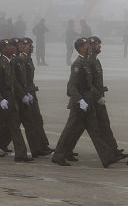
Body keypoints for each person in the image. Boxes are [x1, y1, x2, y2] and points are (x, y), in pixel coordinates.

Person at [52, 37, 122, 167]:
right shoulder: (77, 64)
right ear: (80, 48)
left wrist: (97, 97)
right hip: (79, 103)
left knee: (95, 130)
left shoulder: (85, 62)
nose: (88, 47)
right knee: (70, 131)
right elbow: (71, 86)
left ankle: (107, 158)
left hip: (88, 101)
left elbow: (89, 85)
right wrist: (80, 100)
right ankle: (58, 155)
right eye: (85, 45)